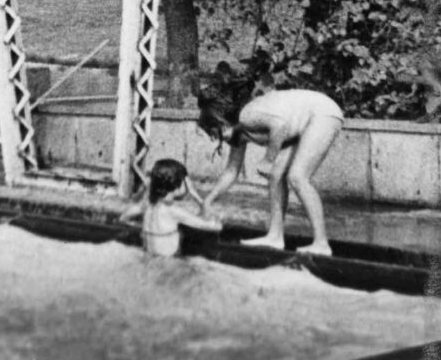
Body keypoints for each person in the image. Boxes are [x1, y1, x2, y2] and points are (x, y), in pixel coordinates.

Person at [194, 64, 344, 256]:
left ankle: (321, 244)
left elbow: (280, 126)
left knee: (298, 177)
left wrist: (268, 159)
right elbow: (231, 171)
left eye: (216, 132)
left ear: (223, 122)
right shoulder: (238, 134)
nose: (219, 139)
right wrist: (209, 200)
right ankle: (275, 237)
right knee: (276, 176)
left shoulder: (246, 116)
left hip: (322, 113)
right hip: (301, 124)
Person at [121, 158, 224, 257]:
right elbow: (212, 227)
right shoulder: (174, 212)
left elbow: (124, 217)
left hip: (149, 260)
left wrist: (140, 227)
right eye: (186, 182)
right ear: (177, 186)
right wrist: (215, 217)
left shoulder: (146, 206)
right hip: (169, 264)